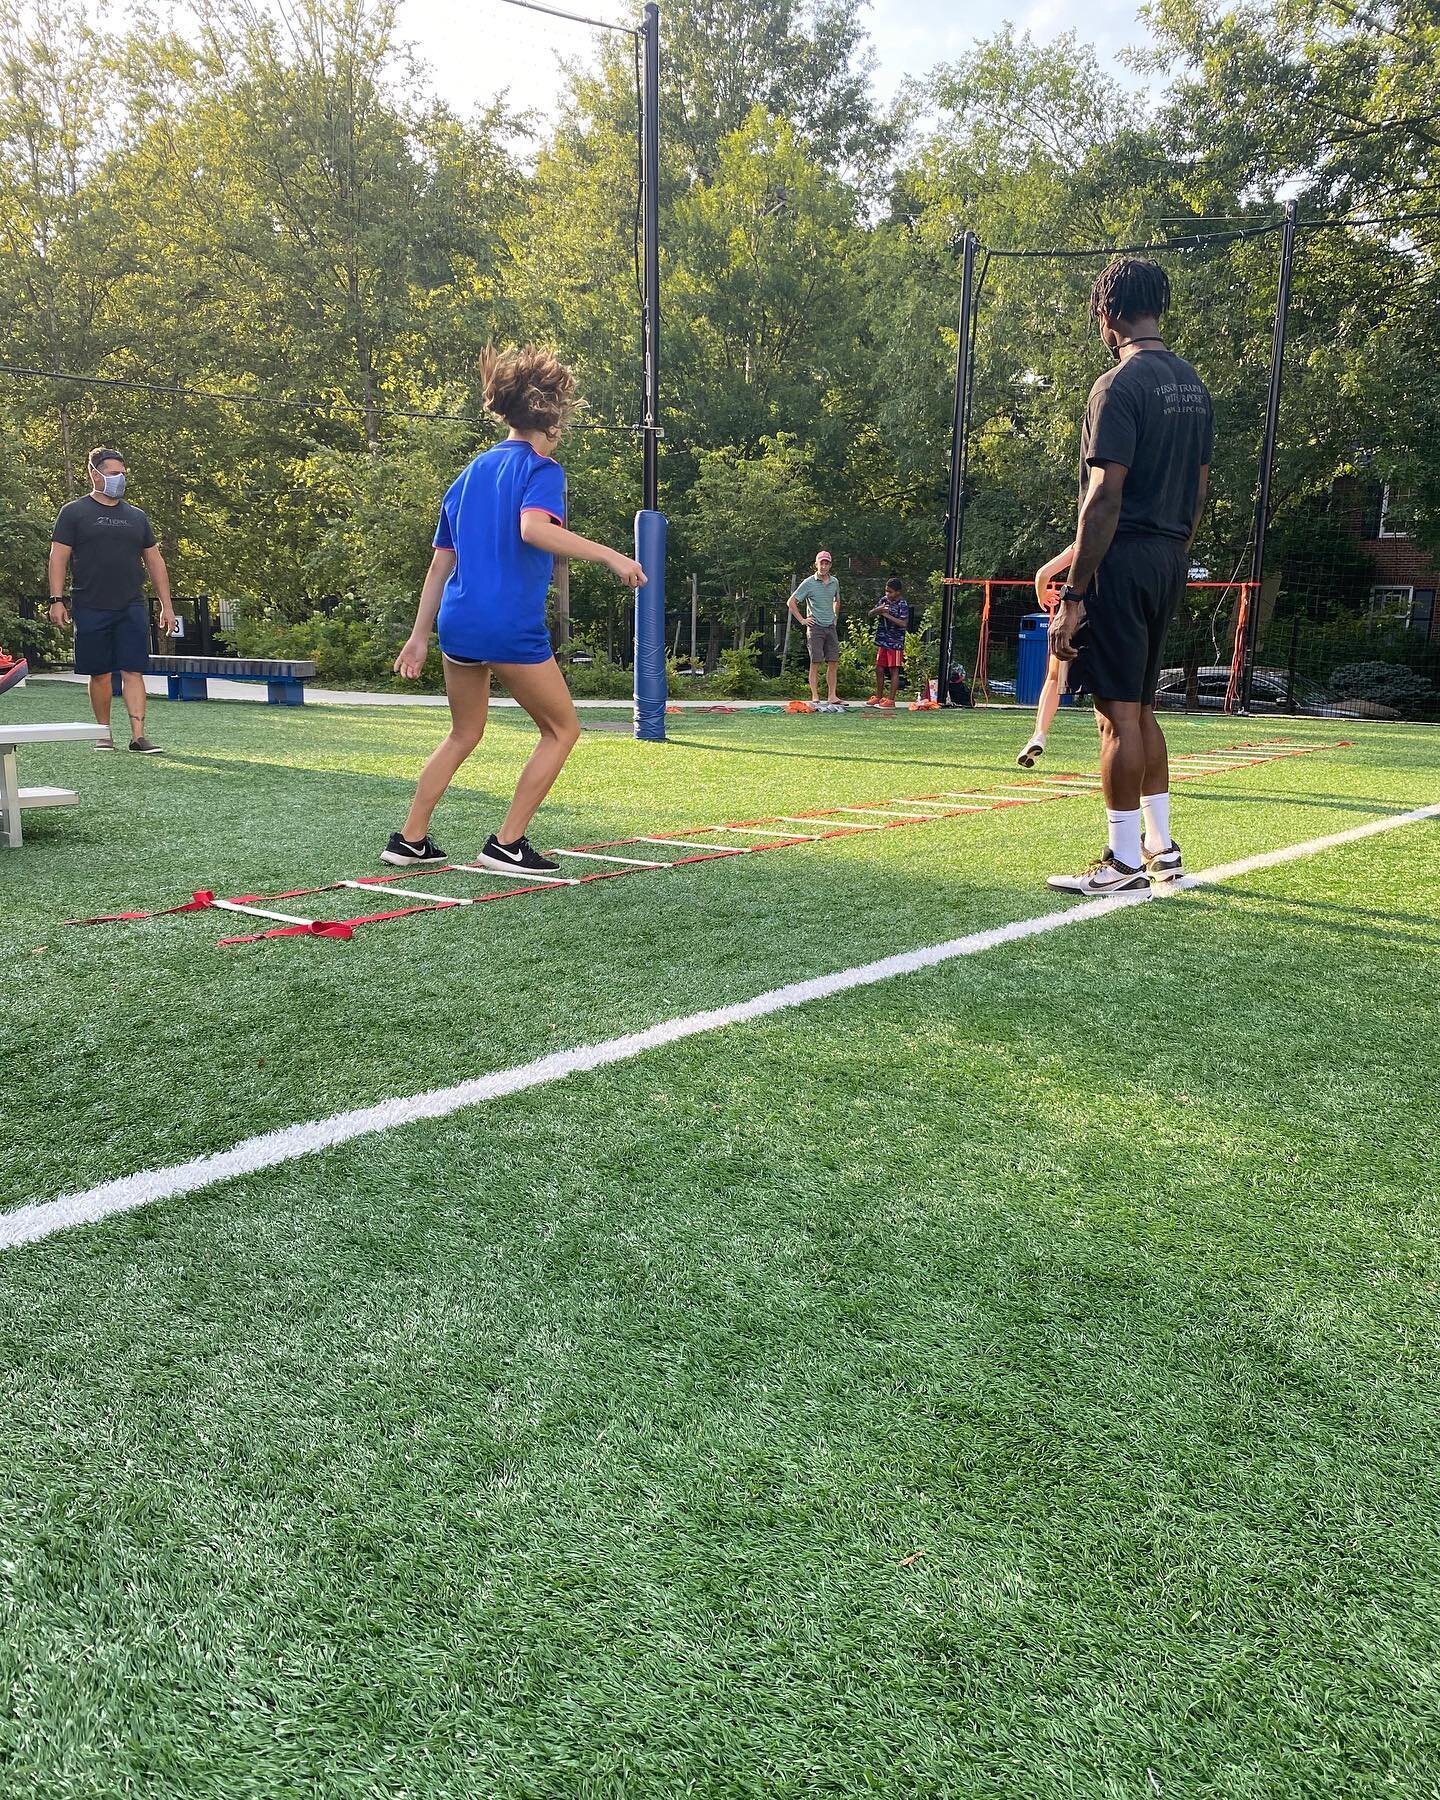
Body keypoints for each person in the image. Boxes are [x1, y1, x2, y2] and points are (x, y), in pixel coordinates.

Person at [387, 345, 646, 873]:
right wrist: (615, 558)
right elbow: (533, 528)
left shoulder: (466, 476)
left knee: (464, 732)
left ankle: (409, 839)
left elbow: (439, 568)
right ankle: (506, 844)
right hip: (507, 625)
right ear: (548, 417)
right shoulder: (543, 468)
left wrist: (418, 636)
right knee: (562, 730)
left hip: (456, 623)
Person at [1046, 258, 1213, 895]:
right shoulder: (1192, 384)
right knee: (1140, 709)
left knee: (1115, 716)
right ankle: (1161, 848)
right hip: (1170, 556)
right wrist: (1172, 551)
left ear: (1108, 313)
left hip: (1124, 557)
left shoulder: (1117, 385)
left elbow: (1103, 497)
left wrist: (1075, 593)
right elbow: (1197, 487)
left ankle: (1120, 864)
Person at [48, 448, 175, 752]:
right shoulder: (74, 512)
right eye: (114, 473)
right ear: (95, 474)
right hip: (90, 604)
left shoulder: (137, 516)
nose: (120, 478)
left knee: (133, 670)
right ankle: (103, 734)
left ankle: (138, 735)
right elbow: (58, 557)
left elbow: (155, 562)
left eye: (123, 473)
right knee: (100, 672)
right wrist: (56, 599)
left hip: (130, 604)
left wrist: (166, 605)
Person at [1017, 544, 1073, 768]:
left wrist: (1043, 595)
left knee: (1053, 677)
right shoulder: (1129, 541)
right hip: (1111, 616)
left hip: (1073, 615)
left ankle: (1039, 734)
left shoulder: (1083, 542)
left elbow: (1043, 574)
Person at [787, 550, 844, 712]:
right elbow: (791, 602)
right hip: (815, 627)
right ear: (816, 564)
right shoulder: (808, 583)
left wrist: (835, 616)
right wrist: (803, 620)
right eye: (822, 563)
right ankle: (815, 696)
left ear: (830, 565)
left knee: (833, 661)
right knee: (815, 662)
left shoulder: (835, 582)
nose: (824, 566)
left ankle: (832, 695)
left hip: (830, 626)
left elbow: (837, 601)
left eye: (827, 563)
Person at [865, 578, 910, 707]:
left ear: (898, 592)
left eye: (890, 592)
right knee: (879, 668)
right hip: (882, 640)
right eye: (886, 591)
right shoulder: (884, 601)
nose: (887, 594)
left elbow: (903, 623)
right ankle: (878, 696)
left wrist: (887, 615)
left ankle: (891, 699)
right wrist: (878, 610)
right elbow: (870, 613)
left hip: (895, 642)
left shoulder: (902, 604)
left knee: (893, 669)